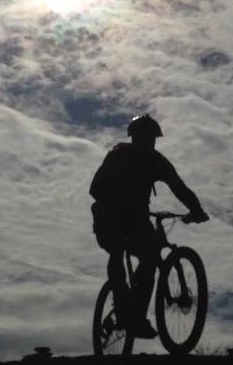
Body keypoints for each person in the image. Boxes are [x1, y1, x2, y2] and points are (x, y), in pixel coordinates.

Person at [89, 114, 209, 338]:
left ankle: (134, 314)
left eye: (150, 138)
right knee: (126, 253)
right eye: (148, 137)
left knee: (146, 255)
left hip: (126, 219)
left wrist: (196, 208)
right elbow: (96, 188)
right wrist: (196, 211)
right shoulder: (128, 156)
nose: (149, 142)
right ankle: (127, 308)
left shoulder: (146, 159)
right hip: (112, 217)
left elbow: (178, 187)